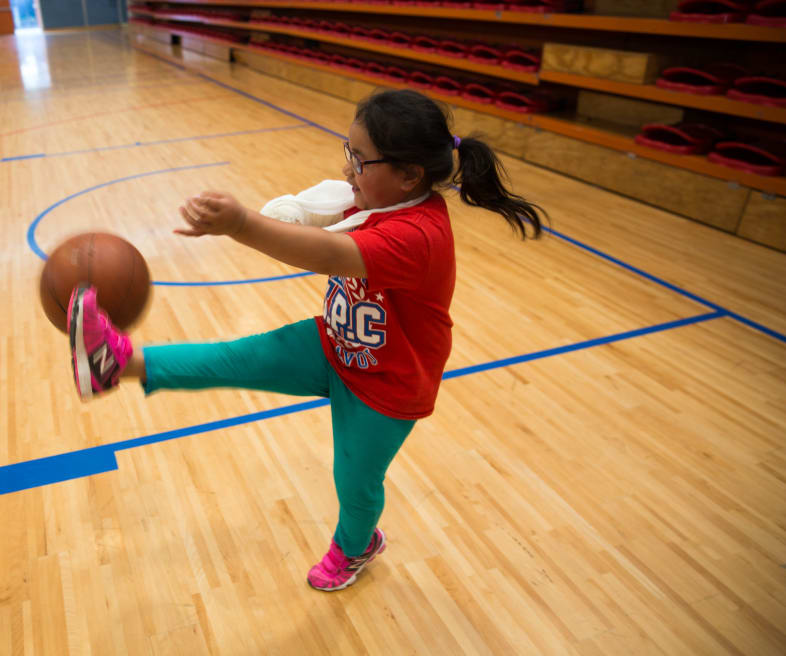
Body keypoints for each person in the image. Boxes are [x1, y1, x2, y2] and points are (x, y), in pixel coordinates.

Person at [67, 89, 546, 591]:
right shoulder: (376, 197)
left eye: (360, 161)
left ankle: (358, 546)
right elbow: (319, 212)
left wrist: (241, 223)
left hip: (387, 384)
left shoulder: (417, 236)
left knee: (354, 483)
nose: (347, 171)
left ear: (409, 176)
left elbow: (325, 254)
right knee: (236, 357)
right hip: (337, 346)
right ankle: (113, 362)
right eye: (348, 152)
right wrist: (305, 206)